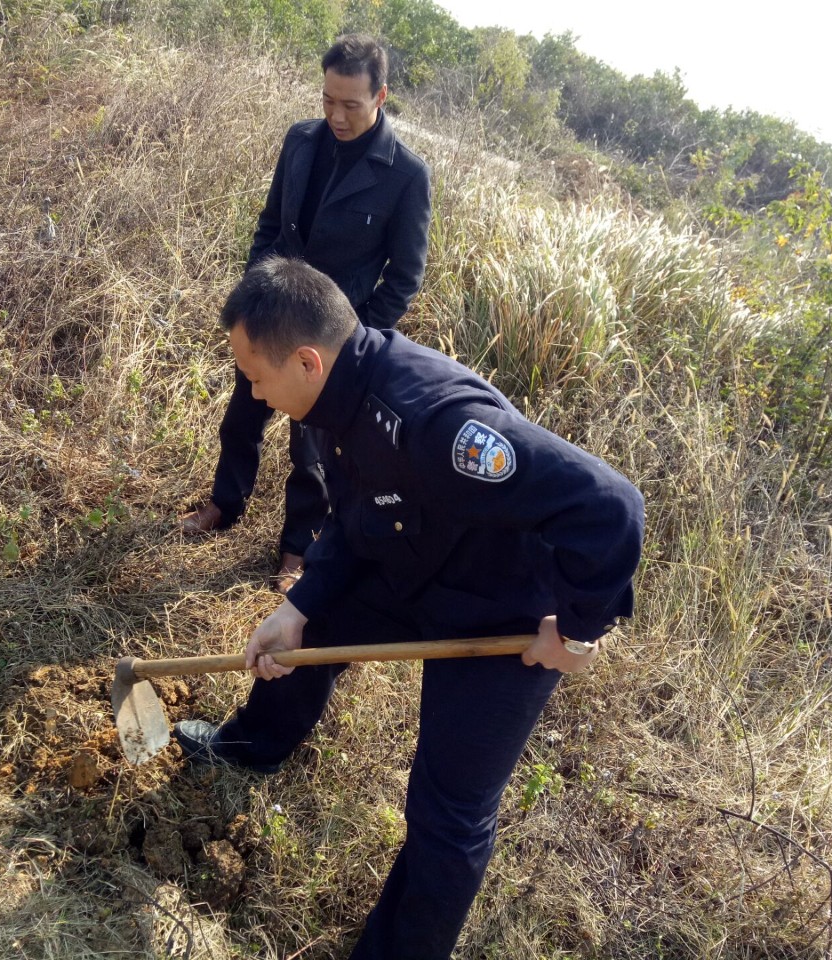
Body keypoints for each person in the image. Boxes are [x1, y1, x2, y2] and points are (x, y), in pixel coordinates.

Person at [173, 258, 646, 959]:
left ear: (305, 360)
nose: (253, 391)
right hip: (420, 569)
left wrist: (575, 631)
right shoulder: (338, 395)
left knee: (446, 811)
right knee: (315, 627)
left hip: (507, 616)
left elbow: (611, 507)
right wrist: (299, 605)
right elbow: (359, 514)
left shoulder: (434, 422)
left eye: (256, 375)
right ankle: (253, 748)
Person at [181, 34, 433, 592]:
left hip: (333, 342)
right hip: (272, 320)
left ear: (381, 96)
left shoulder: (405, 175)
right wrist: (255, 296)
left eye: (351, 104)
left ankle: (297, 550)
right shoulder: (300, 141)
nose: (336, 115)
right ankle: (224, 505)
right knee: (241, 418)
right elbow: (271, 225)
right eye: (328, 100)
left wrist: (354, 340)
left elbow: (404, 276)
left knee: (313, 450)